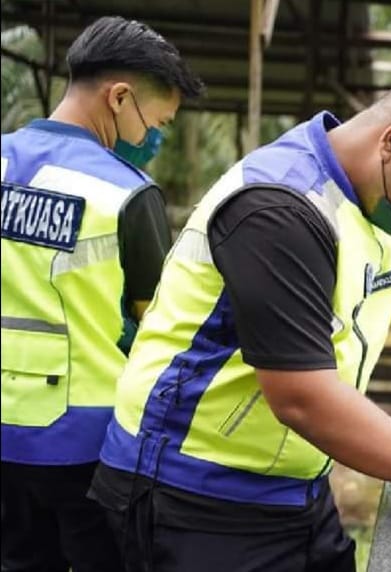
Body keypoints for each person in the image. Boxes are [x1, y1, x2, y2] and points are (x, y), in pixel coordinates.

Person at [89, 75, 391, 572]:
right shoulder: (280, 207)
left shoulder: (380, 209)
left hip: (292, 491)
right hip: (190, 498)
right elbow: (302, 397)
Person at [0, 16, 203, 572]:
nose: (153, 139)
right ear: (119, 98)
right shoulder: (126, 193)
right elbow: (160, 331)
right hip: (88, 444)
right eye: (156, 122)